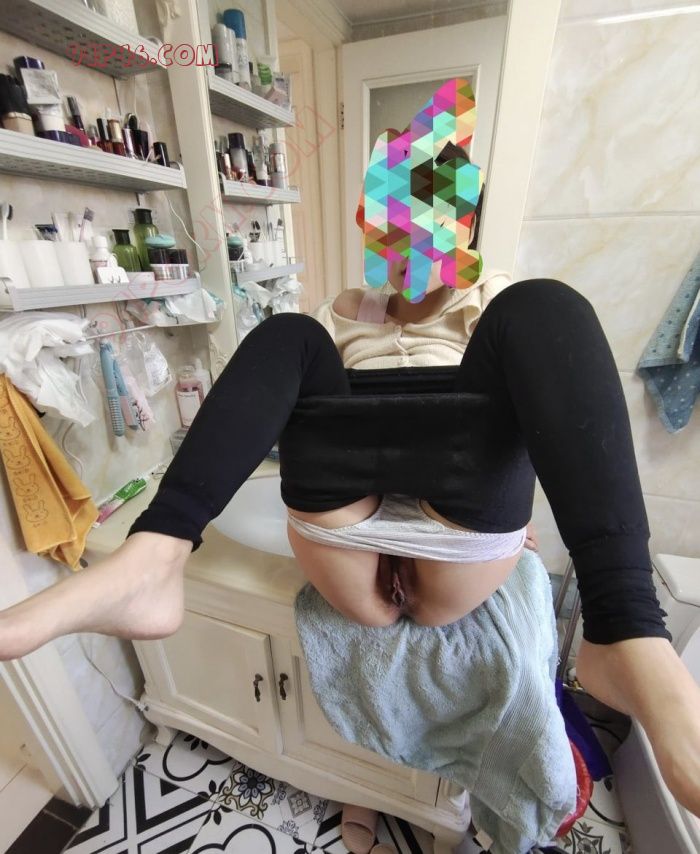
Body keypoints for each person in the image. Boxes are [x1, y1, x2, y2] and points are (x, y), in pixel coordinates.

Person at [1, 83, 699, 820]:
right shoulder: (339, 316)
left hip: (453, 525)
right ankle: (154, 557)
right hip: (347, 527)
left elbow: (555, 427)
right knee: (288, 333)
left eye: (433, 217)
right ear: (371, 223)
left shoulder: (498, 309)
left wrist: (515, 502)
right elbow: (292, 419)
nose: (412, 238)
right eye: (393, 219)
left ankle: (625, 625)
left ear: (465, 226)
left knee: (547, 304)